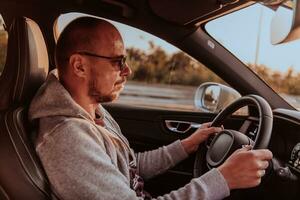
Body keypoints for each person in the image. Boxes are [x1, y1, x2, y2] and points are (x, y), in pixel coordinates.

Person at [28, 17, 273, 200]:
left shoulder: (92, 111)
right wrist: (223, 179)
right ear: (79, 66)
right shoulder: (67, 137)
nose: (127, 71)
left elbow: (132, 166)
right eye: (118, 61)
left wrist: (187, 144)